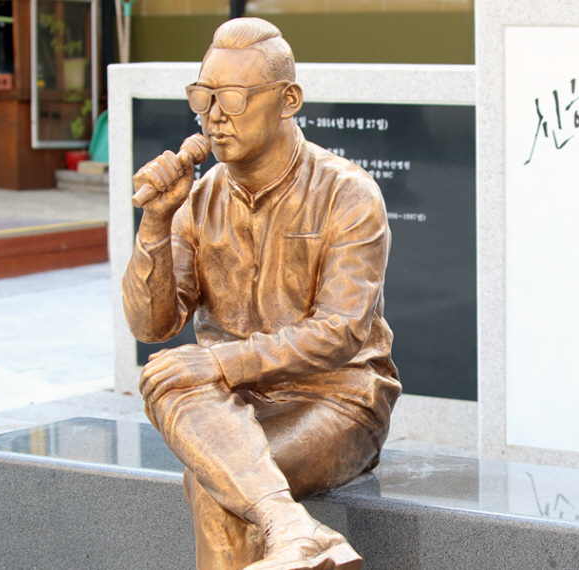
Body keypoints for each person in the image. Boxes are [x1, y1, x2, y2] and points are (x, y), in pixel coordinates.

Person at [122, 18, 399, 570]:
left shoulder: (348, 193)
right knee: (167, 376)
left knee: (217, 485)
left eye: (232, 97)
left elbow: (340, 332)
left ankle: (284, 523)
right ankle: (291, 528)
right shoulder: (196, 200)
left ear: (288, 100)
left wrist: (219, 362)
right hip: (230, 403)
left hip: (337, 399)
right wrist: (155, 223)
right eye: (202, 96)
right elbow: (151, 326)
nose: (213, 115)